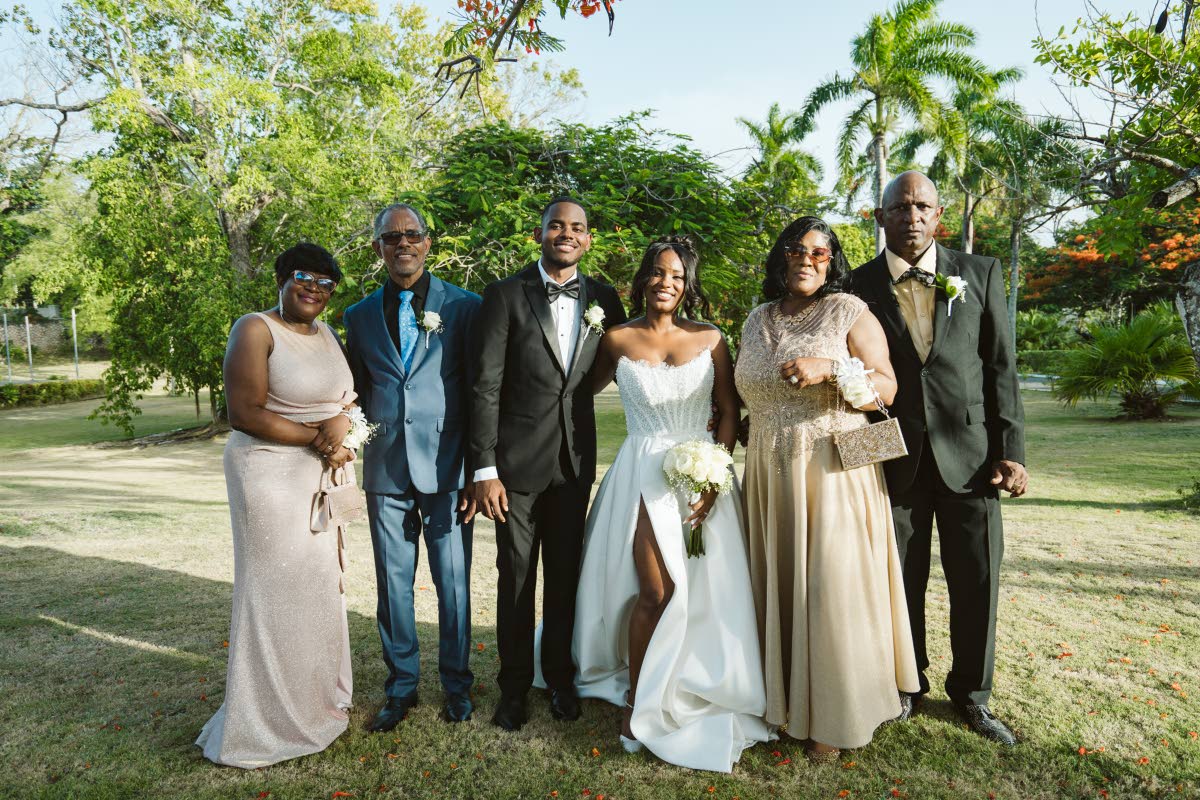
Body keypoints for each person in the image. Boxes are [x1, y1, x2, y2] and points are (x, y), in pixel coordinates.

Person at [571, 236, 771, 772]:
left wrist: (715, 475)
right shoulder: (615, 339)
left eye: (678, 276)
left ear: (687, 285)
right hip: (641, 472)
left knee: (707, 589)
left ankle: (688, 676)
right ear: (643, 279)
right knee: (655, 590)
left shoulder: (711, 338)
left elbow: (727, 409)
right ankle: (638, 699)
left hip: (701, 471)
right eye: (659, 273)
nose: (667, 283)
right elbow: (573, 393)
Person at [846, 171, 1027, 745]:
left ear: (939, 214)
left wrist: (1011, 453)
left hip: (972, 461)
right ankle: (908, 685)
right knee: (900, 581)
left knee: (977, 580)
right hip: (890, 459)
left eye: (923, 206)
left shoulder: (980, 272)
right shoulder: (854, 285)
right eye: (900, 208)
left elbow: (1000, 368)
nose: (913, 216)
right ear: (881, 217)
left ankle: (972, 696)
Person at [735, 216, 920, 762]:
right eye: (796, 249)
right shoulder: (756, 318)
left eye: (820, 252)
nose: (807, 259)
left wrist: (833, 368)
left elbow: (887, 385)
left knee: (828, 589)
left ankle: (835, 719)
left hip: (833, 469)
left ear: (832, 261)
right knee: (777, 584)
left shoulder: (849, 310)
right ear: (781, 256)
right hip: (767, 471)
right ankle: (781, 705)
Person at [469, 196, 627, 732]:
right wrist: (484, 469)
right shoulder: (505, 295)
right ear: (540, 234)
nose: (566, 234)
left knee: (565, 577)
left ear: (588, 239)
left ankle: (559, 679)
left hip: (574, 461)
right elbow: (485, 385)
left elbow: (623, 362)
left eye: (577, 227)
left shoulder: (604, 298)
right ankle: (513, 688)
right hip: (513, 467)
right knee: (515, 577)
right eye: (556, 225)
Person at [198, 243, 356, 768]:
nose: (314, 288)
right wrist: (320, 439)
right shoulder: (255, 328)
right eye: (303, 277)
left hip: (318, 474)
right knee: (274, 593)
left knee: (316, 588)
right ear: (282, 280)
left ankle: (313, 702)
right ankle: (265, 722)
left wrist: (344, 427)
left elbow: (344, 399)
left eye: (325, 283)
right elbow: (243, 412)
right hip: (267, 475)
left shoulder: (327, 334)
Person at [343, 204, 481, 731]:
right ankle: (401, 688)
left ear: (427, 242)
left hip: (449, 469)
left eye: (412, 234)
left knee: (453, 584)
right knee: (392, 585)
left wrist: (477, 470)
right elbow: (356, 390)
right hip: (386, 468)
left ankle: (457, 685)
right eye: (391, 236)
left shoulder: (465, 306)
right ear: (378, 247)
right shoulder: (357, 316)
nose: (402, 243)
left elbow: (480, 392)